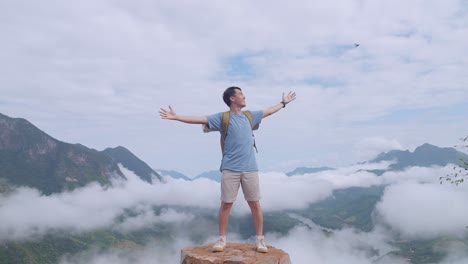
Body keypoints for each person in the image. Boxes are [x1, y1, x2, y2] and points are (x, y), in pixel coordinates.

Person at [159, 87, 296, 253]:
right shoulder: (222, 118)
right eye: (240, 94)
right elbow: (200, 119)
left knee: (255, 204)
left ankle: (260, 240)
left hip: (250, 168)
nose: (244, 96)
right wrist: (176, 117)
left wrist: (283, 103)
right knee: (226, 204)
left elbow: (269, 111)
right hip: (230, 169)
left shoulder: (249, 116)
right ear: (232, 98)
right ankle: (222, 240)